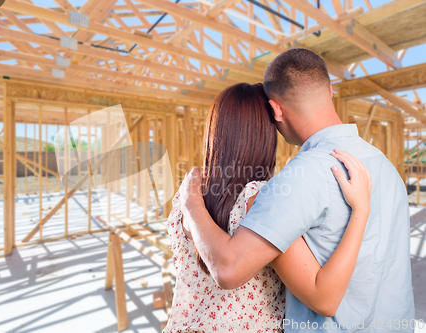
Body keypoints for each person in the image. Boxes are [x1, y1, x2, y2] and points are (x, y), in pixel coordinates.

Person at [178, 49, 415, 332]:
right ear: (329, 90)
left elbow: (228, 270)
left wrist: (191, 204)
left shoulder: (298, 178)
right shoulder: (383, 165)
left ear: (276, 109)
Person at [164, 82, 372, 332]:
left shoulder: (189, 190)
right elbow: (323, 299)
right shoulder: (260, 199)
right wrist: (361, 210)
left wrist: (191, 204)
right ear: (265, 135)